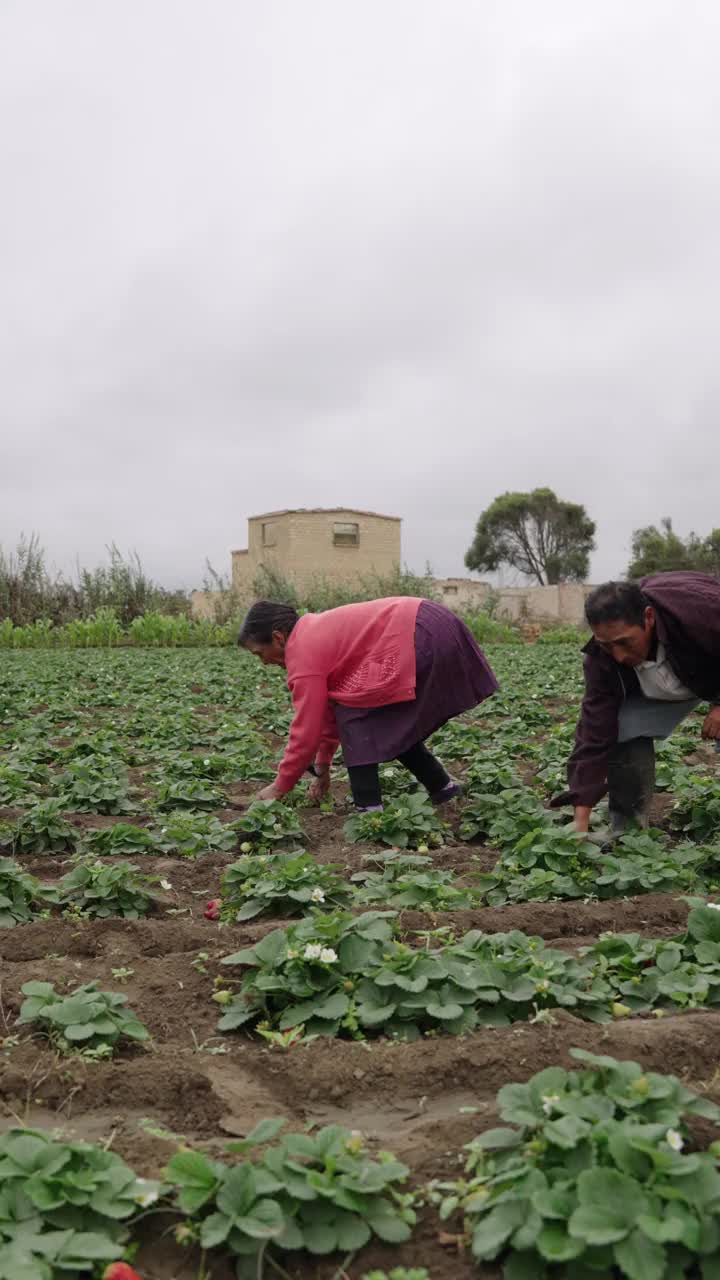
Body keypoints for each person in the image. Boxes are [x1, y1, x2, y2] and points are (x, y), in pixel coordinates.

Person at [238, 596, 498, 809]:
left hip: (419, 632)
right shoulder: (312, 633)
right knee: (388, 722)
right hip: (435, 621)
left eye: (260, 654)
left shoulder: (303, 652)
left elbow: (306, 731)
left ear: (278, 638)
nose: (264, 662)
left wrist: (280, 786)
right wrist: (323, 767)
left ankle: (369, 809)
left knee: (358, 718)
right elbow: (328, 715)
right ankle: (444, 789)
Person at [551, 572, 720, 835]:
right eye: (607, 646)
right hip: (674, 679)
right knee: (619, 727)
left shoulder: (700, 612)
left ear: (648, 618)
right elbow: (594, 734)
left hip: (709, 665)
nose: (618, 656)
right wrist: (580, 816)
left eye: (624, 642)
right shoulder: (601, 660)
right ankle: (628, 832)